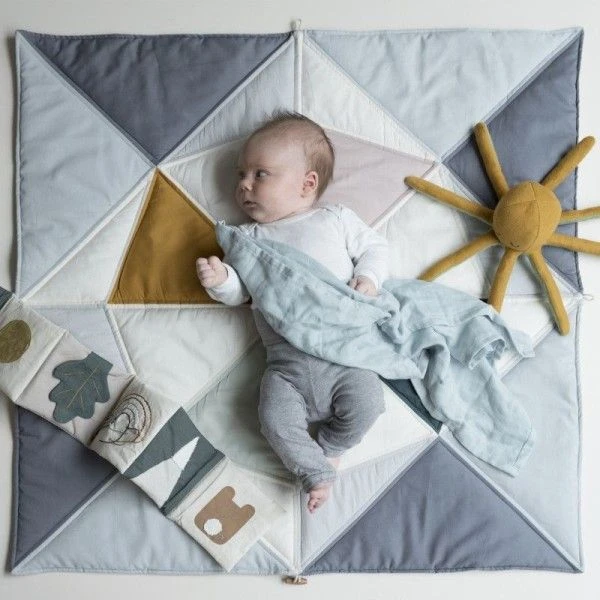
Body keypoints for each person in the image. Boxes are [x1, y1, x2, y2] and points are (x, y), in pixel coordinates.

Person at [197, 111, 389, 512]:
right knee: (273, 419)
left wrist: (368, 279)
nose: (244, 184)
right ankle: (315, 472)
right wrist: (222, 281)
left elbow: (376, 248)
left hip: (344, 356)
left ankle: (331, 447)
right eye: (241, 175)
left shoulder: (334, 219)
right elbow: (242, 293)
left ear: (307, 183)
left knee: (370, 403)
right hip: (286, 367)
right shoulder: (248, 240)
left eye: (260, 174)